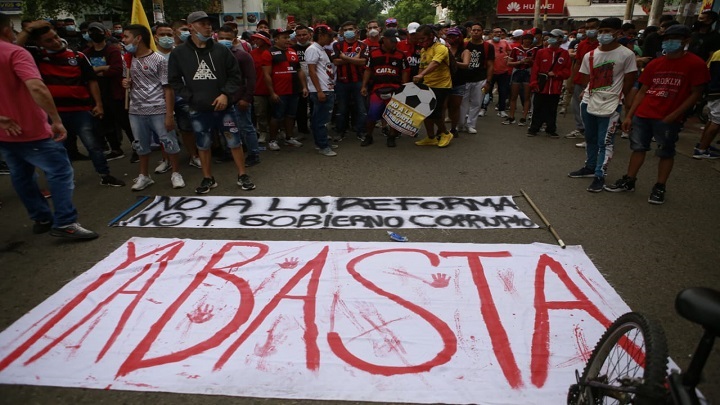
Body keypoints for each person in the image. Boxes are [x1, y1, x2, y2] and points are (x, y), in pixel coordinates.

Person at [0, 13, 98, 239]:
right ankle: (65, 222)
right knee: (60, 171)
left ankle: (41, 217)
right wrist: (55, 120)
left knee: (21, 175)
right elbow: (37, 88)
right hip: (30, 128)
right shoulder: (16, 53)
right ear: (7, 30)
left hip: (5, 133)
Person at [605, 25, 709, 204]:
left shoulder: (695, 64)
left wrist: (675, 114)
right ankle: (629, 180)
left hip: (669, 117)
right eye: (667, 38)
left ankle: (659, 186)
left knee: (665, 152)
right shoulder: (656, 63)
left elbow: (696, 94)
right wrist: (630, 115)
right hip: (644, 114)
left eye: (675, 38)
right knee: (638, 148)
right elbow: (643, 90)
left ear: (686, 41)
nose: (670, 42)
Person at [16, 20, 125, 188]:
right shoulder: (38, 57)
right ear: (39, 44)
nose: (55, 41)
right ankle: (64, 180)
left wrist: (98, 104)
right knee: (58, 149)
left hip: (81, 110)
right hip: (54, 113)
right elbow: (14, 48)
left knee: (93, 145)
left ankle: (105, 175)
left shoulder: (77, 57)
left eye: (55, 37)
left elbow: (92, 82)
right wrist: (29, 29)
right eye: (49, 40)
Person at [168, 11, 255, 194]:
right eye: (202, 23)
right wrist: (190, 97)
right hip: (198, 108)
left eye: (209, 24)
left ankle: (242, 175)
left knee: (234, 141)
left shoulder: (221, 50)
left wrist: (225, 94)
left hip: (225, 107)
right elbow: (174, 81)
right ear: (191, 26)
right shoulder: (179, 53)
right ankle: (208, 178)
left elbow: (235, 76)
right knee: (203, 143)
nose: (208, 27)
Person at [568, 17, 637, 193]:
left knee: (604, 142)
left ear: (618, 33)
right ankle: (590, 167)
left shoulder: (626, 55)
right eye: (601, 31)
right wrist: (589, 91)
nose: (603, 34)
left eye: (608, 31)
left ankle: (600, 174)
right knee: (590, 138)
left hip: (611, 105)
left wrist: (620, 101)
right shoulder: (590, 55)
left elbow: (629, 82)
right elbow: (585, 78)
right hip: (589, 101)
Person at [121, 24, 185, 191]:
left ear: (138, 38)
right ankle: (144, 176)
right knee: (141, 145)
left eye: (126, 37)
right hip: (136, 110)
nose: (124, 40)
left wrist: (169, 114)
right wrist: (125, 83)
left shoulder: (159, 60)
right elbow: (127, 81)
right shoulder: (127, 60)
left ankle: (176, 173)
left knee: (169, 142)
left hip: (158, 108)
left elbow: (168, 88)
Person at [83, 22, 133, 162]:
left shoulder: (112, 51)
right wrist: (104, 68)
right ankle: (115, 149)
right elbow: (85, 73)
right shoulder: (86, 54)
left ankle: (137, 147)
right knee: (106, 124)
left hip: (115, 93)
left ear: (105, 33)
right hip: (98, 95)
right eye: (91, 31)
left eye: (97, 31)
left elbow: (116, 70)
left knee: (125, 123)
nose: (94, 34)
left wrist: (96, 71)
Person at [217, 25, 260, 167]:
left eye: (227, 39)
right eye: (221, 38)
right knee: (226, 129)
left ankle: (253, 154)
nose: (224, 41)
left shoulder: (242, 56)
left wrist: (246, 98)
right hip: (222, 100)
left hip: (240, 100)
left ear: (234, 39)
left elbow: (251, 78)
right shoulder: (213, 57)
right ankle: (230, 152)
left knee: (246, 128)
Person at [361, 28, 409, 147]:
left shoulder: (400, 55)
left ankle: (391, 137)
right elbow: (367, 70)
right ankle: (369, 136)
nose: (394, 43)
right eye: (392, 41)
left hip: (395, 88)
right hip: (377, 89)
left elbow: (405, 71)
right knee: (372, 114)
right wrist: (364, 86)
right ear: (384, 40)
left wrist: (404, 87)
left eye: (395, 41)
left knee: (393, 115)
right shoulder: (373, 54)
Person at [264, 28, 308, 151]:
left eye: (288, 37)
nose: (287, 40)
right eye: (284, 37)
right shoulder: (269, 53)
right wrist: (272, 92)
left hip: (294, 90)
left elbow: (299, 71)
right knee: (277, 116)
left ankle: (289, 137)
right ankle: (272, 139)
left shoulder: (293, 51)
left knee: (291, 115)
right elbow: (266, 74)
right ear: (276, 39)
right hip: (279, 92)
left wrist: (304, 86)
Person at [413, 24, 453, 148]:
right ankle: (431, 137)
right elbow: (422, 66)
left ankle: (446, 133)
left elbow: (435, 64)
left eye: (422, 39)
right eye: (418, 40)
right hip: (427, 85)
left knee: (434, 113)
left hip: (441, 86)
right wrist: (417, 82)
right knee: (424, 112)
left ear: (431, 36)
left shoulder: (440, 48)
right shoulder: (424, 50)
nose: (420, 42)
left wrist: (422, 75)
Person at [527, 29, 572, 138]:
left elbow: (567, 71)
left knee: (552, 109)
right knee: (537, 108)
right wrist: (533, 83)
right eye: (550, 36)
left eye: (554, 36)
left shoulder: (564, 54)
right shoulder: (541, 52)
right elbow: (535, 69)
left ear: (560, 39)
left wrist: (556, 74)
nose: (551, 38)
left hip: (555, 87)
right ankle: (534, 128)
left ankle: (551, 129)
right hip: (541, 85)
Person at [565, 18, 600, 143]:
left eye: (593, 27)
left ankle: (591, 135)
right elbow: (577, 62)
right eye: (587, 27)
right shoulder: (582, 44)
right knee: (577, 106)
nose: (589, 30)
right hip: (580, 79)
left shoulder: (602, 46)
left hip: (596, 83)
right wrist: (572, 79)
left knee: (591, 108)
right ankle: (581, 129)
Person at [332, 21, 368, 141]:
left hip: (358, 81)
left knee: (361, 109)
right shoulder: (337, 45)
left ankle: (361, 131)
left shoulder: (363, 45)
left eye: (351, 29)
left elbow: (364, 62)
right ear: (342, 32)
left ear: (356, 30)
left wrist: (345, 57)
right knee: (342, 109)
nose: (348, 31)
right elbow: (336, 61)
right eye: (346, 29)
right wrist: (354, 59)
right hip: (342, 82)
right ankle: (340, 131)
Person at [306, 24, 338, 156]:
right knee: (322, 120)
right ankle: (323, 146)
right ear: (321, 35)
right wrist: (319, 90)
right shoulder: (313, 49)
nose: (331, 39)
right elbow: (312, 71)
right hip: (321, 90)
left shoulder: (321, 49)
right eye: (329, 36)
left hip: (327, 88)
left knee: (320, 119)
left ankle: (321, 142)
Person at [458, 23, 493, 133]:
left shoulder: (488, 47)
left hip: (480, 79)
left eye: (478, 30)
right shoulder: (464, 45)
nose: (476, 32)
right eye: (474, 30)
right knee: (462, 103)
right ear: (470, 31)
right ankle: (460, 124)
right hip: (465, 79)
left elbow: (491, 65)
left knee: (477, 103)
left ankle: (471, 124)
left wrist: (488, 81)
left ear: (482, 32)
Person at [504, 33, 537, 126]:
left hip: (528, 72)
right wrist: (520, 62)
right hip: (517, 72)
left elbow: (538, 64)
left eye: (529, 39)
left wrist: (531, 61)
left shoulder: (535, 50)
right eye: (525, 39)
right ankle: (511, 116)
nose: (527, 41)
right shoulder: (516, 49)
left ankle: (524, 117)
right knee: (513, 96)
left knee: (527, 96)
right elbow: (509, 63)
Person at [694, 48, 720, 160]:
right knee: (716, 122)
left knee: (711, 120)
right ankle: (701, 150)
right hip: (718, 92)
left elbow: (707, 68)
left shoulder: (717, 53)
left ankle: (703, 144)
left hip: (713, 90)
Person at [445, 27, 470, 138]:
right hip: (445, 82)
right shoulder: (445, 49)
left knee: (455, 107)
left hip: (458, 82)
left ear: (459, 38)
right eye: (449, 37)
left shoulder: (465, 51)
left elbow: (466, 65)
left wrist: (453, 62)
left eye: (453, 37)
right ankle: (442, 129)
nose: (451, 39)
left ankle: (453, 128)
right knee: (444, 106)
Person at [482, 27, 511, 118]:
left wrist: (508, 57)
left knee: (503, 91)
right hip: (490, 72)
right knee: (486, 91)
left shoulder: (505, 43)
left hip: (503, 71)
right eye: (495, 32)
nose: (498, 34)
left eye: (499, 32)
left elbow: (510, 53)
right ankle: (483, 108)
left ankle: (501, 110)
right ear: (491, 34)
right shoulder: (487, 44)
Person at [250, 30, 273, 145]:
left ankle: (276, 131)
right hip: (258, 88)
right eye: (254, 39)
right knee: (260, 112)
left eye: (258, 39)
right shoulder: (252, 53)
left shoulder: (273, 52)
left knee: (274, 112)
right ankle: (263, 131)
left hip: (274, 88)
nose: (255, 41)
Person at [292, 25, 313, 136]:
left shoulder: (315, 47)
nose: (302, 37)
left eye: (304, 34)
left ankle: (316, 128)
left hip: (314, 81)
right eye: (299, 35)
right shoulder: (292, 49)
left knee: (315, 106)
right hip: (299, 83)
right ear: (296, 37)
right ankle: (302, 130)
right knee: (301, 107)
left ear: (310, 35)